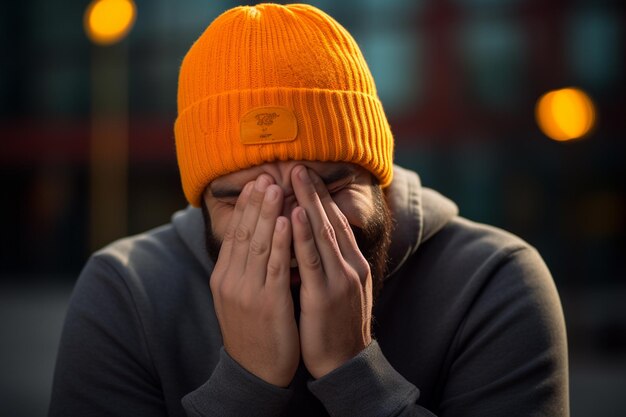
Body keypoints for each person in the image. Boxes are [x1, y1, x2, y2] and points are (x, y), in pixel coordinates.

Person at [49, 3, 569, 416]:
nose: (293, 227)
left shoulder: (494, 282)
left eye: (330, 184)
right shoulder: (125, 290)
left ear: (379, 178)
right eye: (240, 199)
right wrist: (244, 386)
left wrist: (355, 374)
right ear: (202, 201)